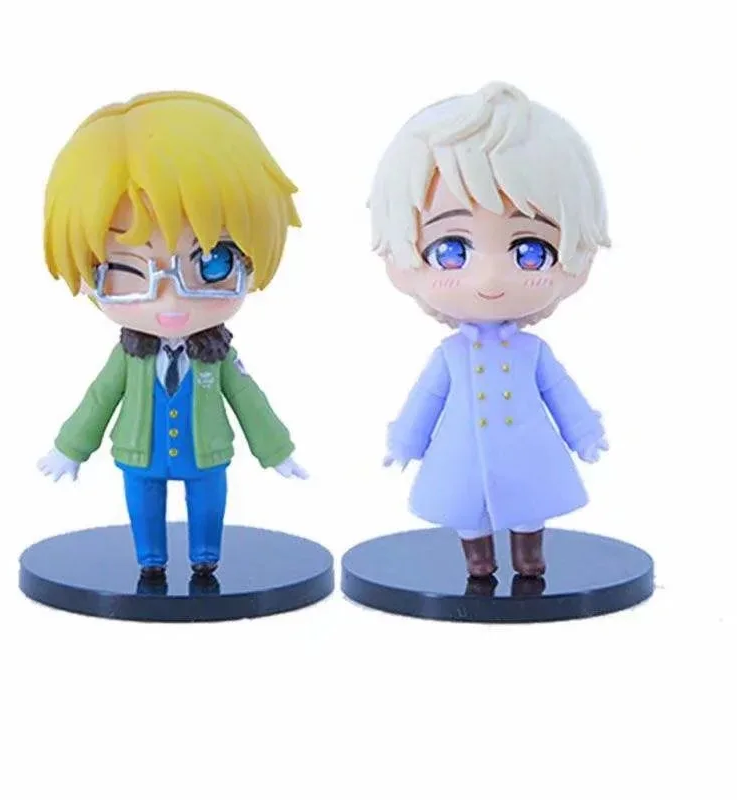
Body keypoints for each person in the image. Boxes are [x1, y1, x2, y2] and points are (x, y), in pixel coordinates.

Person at [38, 92, 307, 579]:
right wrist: (71, 448)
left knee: (209, 504)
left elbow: (248, 399)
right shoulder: (129, 357)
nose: (170, 299)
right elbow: (99, 398)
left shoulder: (217, 356)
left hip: (207, 453)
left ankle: (205, 557)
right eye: (127, 269)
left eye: (212, 262)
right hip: (139, 453)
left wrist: (276, 451)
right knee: (143, 505)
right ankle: (150, 560)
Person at [370, 82, 609, 579]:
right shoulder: (449, 356)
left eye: (530, 251)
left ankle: (529, 555)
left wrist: (585, 434)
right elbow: (426, 400)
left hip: (528, 452)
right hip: (460, 456)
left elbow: (561, 393)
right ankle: (478, 560)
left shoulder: (533, 352)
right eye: (451, 251)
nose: (490, 279)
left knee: (529, 505)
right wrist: (405, 442)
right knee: (467, 511)